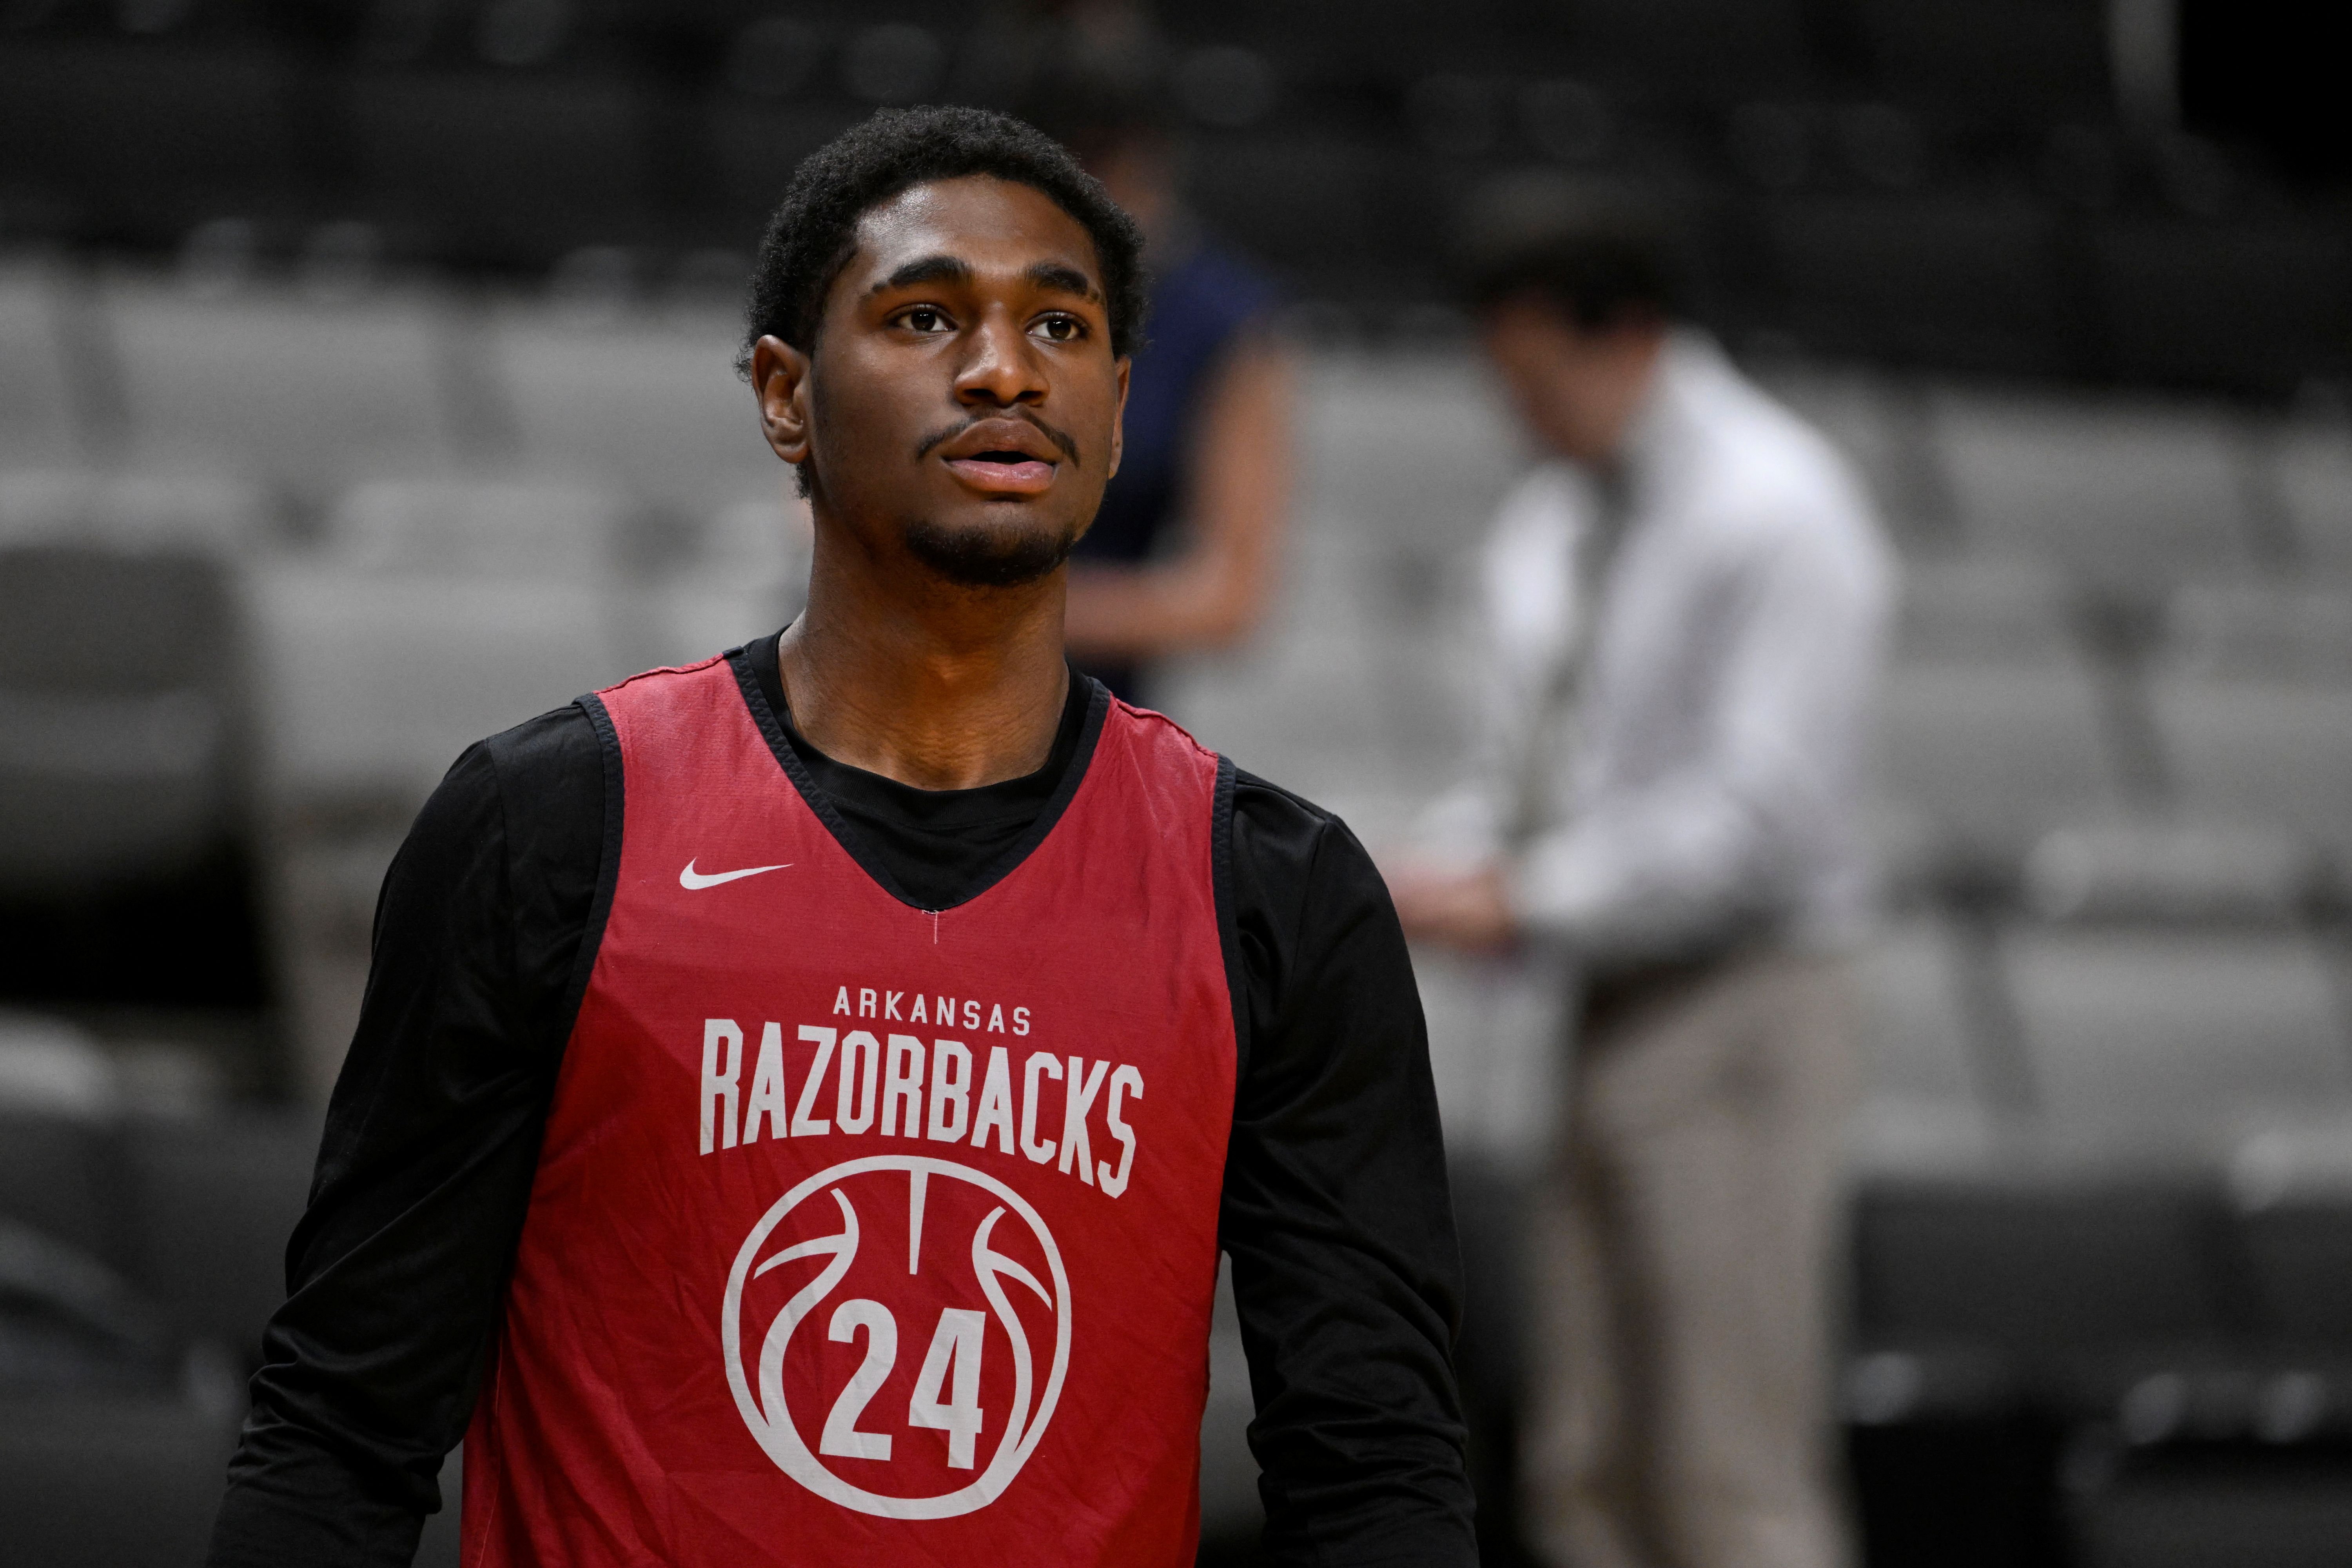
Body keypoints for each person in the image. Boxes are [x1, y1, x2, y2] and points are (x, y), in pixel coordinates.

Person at [204, 107, 1475, 1568]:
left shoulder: (1276, 893)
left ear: (1120, 413)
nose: (1003, 370)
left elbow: (1376, 1472)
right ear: (784, 396)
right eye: (926, 316)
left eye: (1059, 328)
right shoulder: (551, 825)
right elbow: (342, 1424)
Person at [1385, 181, 1895, 1568]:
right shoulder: (1552, 523)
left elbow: (1763, 825)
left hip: (1744, 1001)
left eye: (1542, 382)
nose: (1523, 418)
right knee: (1586, 1460)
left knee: (1730, 1470)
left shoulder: (1783, 511)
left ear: (1632, 341)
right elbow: (1537, 777)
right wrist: (1435, 868)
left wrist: (1522, 897)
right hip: (1602, 999)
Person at [1027, 58, 1292, 704]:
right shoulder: (951, 273)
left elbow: (1228, 596)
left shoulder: (1225, 322)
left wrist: (995, 602)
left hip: (1085, 704)